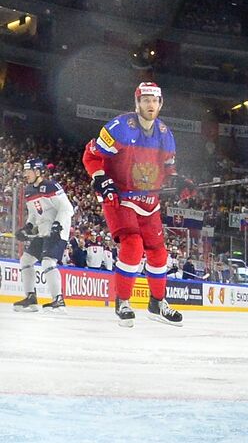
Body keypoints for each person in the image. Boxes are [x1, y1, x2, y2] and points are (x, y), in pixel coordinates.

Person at [81, 81, 188, 326]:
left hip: (149, 201)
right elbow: (91, 156)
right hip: (120, 197)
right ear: (137, 103)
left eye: (155, 100)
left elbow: (169, 170)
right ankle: (123, 302)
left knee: (159, 253)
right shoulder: (119, 128)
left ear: (160, 104)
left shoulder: (165, 134)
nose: (150, 104)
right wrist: (101, 178)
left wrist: (182, 181)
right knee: (132, 244)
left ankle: (157, 303)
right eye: (146, 100)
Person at [13, 158, 74, 312]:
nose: (25, 174)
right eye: (25, 171)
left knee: (48, 262)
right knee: (26, 260)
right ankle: (31, 298)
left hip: (57, 233)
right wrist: (27, 227)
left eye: (29, 171)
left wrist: (58, 224)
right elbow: (34, 215)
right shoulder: (29, 191)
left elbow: (67, 208)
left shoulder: (51, 186)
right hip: (42, 232)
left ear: (38, 171)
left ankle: (58, 300)